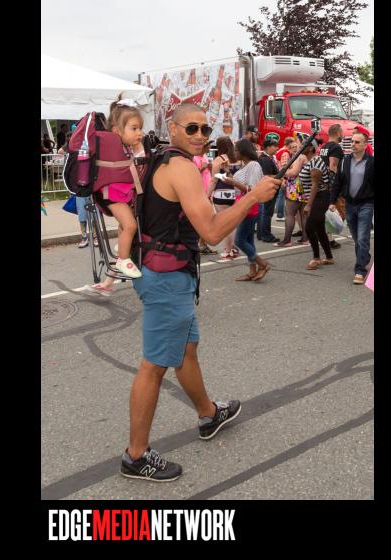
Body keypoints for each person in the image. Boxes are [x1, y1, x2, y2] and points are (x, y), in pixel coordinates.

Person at [120, 103, 281, 481]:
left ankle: (208, 414)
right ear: (173, 128)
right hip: (166, 278)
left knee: (187, 348)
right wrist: (252, 197)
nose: (200, 135)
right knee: (154, 365)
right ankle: (135, 455)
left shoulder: (160, 159)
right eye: (191, 128)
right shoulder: (181, 168)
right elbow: (210, 232)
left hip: (161, 271)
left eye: (206, 130)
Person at [93, 97, 145, 279]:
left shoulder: (124, 147)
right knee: (130, 225)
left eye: (140, 128)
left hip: (120, 193)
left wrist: (137, 145)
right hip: (112, 193)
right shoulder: (111, 145)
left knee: (125, 224)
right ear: (116, 130)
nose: (140, 133)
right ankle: (123, 259)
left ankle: (122, 246)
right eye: (134, 128)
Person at [216, 139, 272, 281]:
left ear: (244, 152)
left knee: (240, 241)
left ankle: (263, 264)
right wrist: (228, 173)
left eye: (236, 150)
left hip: (250, 206)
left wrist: (233, 182)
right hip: (243, 204)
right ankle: (252, 270)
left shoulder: (254, 165)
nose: (234, 152)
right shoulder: (245, 165)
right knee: (248, 240)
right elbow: (241, 183)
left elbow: (252, 190)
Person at [330, 132, 374, 284]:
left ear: (365, 145)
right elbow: (338, 182)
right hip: (349, 204)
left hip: (366, 204)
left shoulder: (371, 162)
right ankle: (365, 257)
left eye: (357, 142)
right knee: (357, 238)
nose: (353, 144)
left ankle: (360, 271)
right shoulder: (345, 161)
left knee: (362, 238)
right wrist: (332, 201)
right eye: (352, 141)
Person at [207, 136, 241, 260]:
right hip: (235, 193)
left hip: (221, 193)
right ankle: (233, 248)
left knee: (225, 224)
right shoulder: (238, 159)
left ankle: (228, 250)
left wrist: (207, 195)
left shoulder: (219, 159)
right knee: (233, 223)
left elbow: (213, 180)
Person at [274, 138, 311, 247]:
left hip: (296, 188)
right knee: (303, 215)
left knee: (290, 214)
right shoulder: (305, 157)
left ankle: (287, 240)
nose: (296, 147)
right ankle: (305, 239)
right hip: (304, 187)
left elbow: (294, 172)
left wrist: (283, 172)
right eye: (293, 147)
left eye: (297, 145)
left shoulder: (300, 157)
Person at [303, 150, 334, 270]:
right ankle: (329, 257)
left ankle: (316, 258)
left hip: (320, 197)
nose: (300, 146)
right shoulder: (310, 161)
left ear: (310, 146)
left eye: (303, 143)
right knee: (320, 229)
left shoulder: (315, 161)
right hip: (317, 198)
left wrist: (308, 205)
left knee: (309, 228)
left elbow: (315, 185)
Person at [319, 124, 345, 249]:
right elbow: (333, 166)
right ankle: (328, 238)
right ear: (338, 133)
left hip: (324, 183)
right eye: (342, 132)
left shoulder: (324, 147)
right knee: (340, 213)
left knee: (330, 213)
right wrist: (336, 186)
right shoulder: (336, 147)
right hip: (332, 185)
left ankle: (329, 239)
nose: (343, 135)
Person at [194, 141, 218, 255]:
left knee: (207, 219)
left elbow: (209, 174)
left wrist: (210, 168)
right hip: (200, 193)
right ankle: (200, 244)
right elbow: (192, 176)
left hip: (207, 192)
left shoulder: (204, 157)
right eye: (208, 145)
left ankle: (202, 244)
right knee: (203, 220)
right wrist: (202, 169)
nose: (210, 147)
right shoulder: (194, 158)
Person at [257, 139, 281, 243]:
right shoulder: (265, 159)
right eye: (274, 146)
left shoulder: (266, 158)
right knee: (267, 213)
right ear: (268, 147)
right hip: (269, 188)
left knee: (265, 212)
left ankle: (262, 234)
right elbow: (267, 176)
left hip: (267, 188)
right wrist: (280, 176)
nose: (277, 148)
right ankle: (266, 235)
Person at [274, 137, 295, 221]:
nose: (294, 146)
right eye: (292, 144)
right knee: (281, 196)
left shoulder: (281, 150)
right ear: (289, 144)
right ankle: (280, 215)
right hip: (282, 177)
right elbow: (284, 167)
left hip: (279, 176)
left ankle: (280, 214)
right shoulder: (285, 153)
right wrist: (284, 178)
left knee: (281, 195)